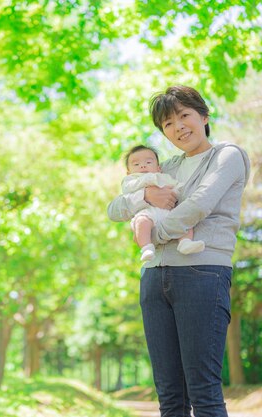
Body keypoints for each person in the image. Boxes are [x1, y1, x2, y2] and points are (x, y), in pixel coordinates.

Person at [107, 85, 250, 417]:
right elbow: (115, 208)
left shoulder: (227, 155)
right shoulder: (165, 167)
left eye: (184, 116)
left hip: (202, 274)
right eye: (168, 124)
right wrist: (144, 198)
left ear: (203, 115)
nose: (178, 127)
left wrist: (153, 234)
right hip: (154, 280)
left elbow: (198, 206)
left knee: (203, 391)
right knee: (169, 395)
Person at [123, 145, 205, 262]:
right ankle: (146, 247)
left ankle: (185, 243)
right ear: (128, 172)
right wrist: (147, 181)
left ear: (158, 168)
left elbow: (176, 186)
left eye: (148, 162)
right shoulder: (130, 180)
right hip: (147, 212)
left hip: (168, 210)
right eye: (136, 164)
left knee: (184, 221)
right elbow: (127, 189)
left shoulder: (163, 177)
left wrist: (178, 190)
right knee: (141, 223)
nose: (142, 165)